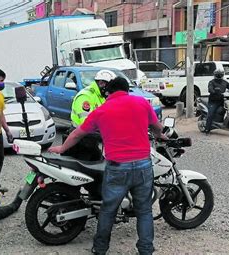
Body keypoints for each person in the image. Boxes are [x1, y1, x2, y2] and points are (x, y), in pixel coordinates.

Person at [49, 77, 166, 255]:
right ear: (127, 90)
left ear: (109, 92)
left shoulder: (101, 110)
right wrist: (161, 136)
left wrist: (62, 147)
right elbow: (157, 128)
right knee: (144, 211)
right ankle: (145, 250)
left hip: (117, 167)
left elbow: (77, 134)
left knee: (108, 210)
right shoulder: (142, 103)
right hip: (143, 164)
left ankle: (100, 249)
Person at [64, 70, 117, 161]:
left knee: (100, 163)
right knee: (84, 171)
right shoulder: (86, 96)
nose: (112, 90)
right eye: (111, 87)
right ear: (101, 83)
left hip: (91, 140)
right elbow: (86, 123)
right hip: (80, 141)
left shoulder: (100, 96)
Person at [205, 68, 229, 134]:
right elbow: (210, 89)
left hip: (222, 100)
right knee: (210, 114)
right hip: (213, 101)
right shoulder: (212, 82)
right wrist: (214, 91)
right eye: (218, 75)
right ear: (215, 75)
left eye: (220, 75)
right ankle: (207, 129)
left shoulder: (225, 82)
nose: (219, 76)